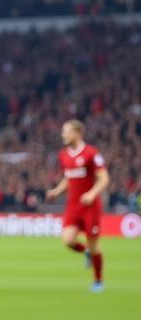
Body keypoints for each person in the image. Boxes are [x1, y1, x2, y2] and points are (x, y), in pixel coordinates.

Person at [45, 119, 110, 291]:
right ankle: (86, 252)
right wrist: (57, 191)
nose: (63, 135)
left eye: (66, 131)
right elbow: (69, 177)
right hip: (73, 206)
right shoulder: (63, 155)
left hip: (90, 207)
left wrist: (92, 194)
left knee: (94, 244)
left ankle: (98, 281)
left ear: (77, 133)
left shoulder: (91, 153)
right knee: (67, 240)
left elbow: (104, 178)